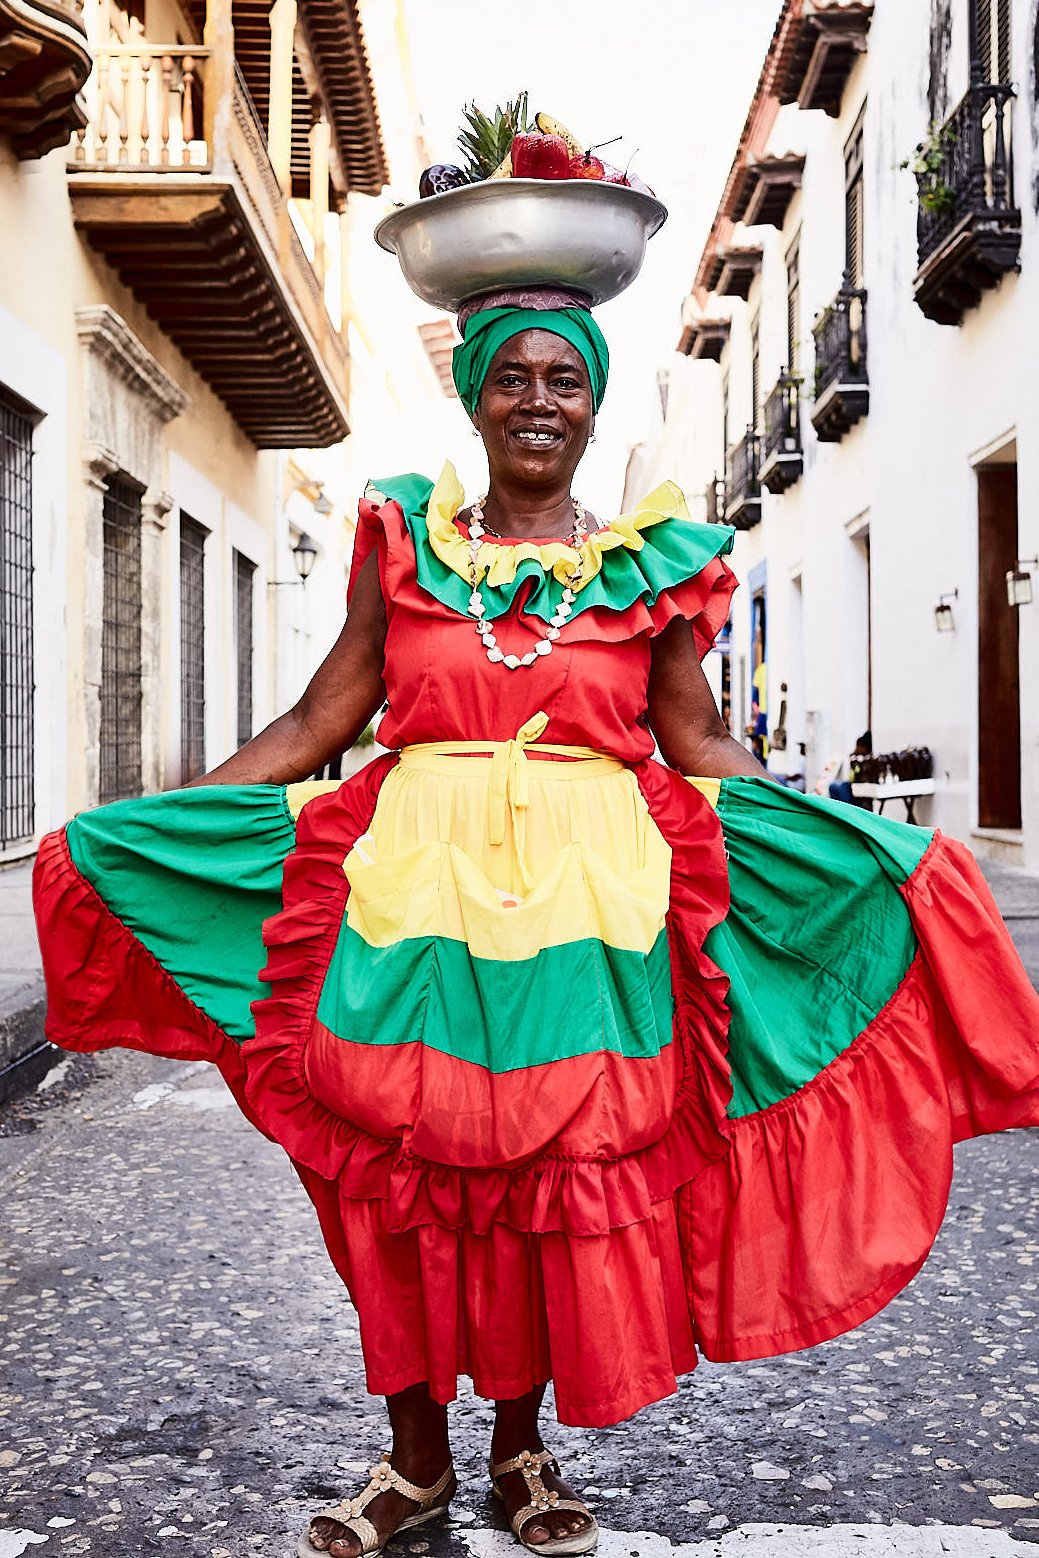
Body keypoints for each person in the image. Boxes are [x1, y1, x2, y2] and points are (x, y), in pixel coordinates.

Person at [33, 295, 1039, 1558]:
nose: (539, 400)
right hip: (408, 907)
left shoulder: (650, 571)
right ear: (475, 398)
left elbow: (696, 740)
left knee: (538, 1185)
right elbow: (316, 724)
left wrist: (829, 834)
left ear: (593, 405)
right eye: (512, 377)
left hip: (590, 922)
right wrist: (163, 821)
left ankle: (515, 1451)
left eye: (564, 379)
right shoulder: (401, 545)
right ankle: (412, 1462)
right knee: (397, 1181)